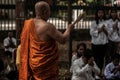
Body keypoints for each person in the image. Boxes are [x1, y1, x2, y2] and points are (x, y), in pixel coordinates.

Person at [19, 1, 85, 80]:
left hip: (33, 65)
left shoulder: (27, 24)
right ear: (45, 11)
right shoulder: (47, 27)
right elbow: (63, 39)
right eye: (49, 11)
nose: (50, 13)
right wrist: (69, 29)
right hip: (46, 68)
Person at [90, 9, 108, 73]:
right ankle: (94, 72)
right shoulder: (94, 22)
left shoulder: (106, 22)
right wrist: (100, 30)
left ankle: (100, 72)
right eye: (99, 13)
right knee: (95, 58)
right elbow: (91, 33)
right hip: (96, 43)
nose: (101, 14)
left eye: (102, 13)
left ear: (104, 14)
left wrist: (105, 30)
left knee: (101, 59)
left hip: (104, 43)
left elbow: (109, 33)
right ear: (97, 14)